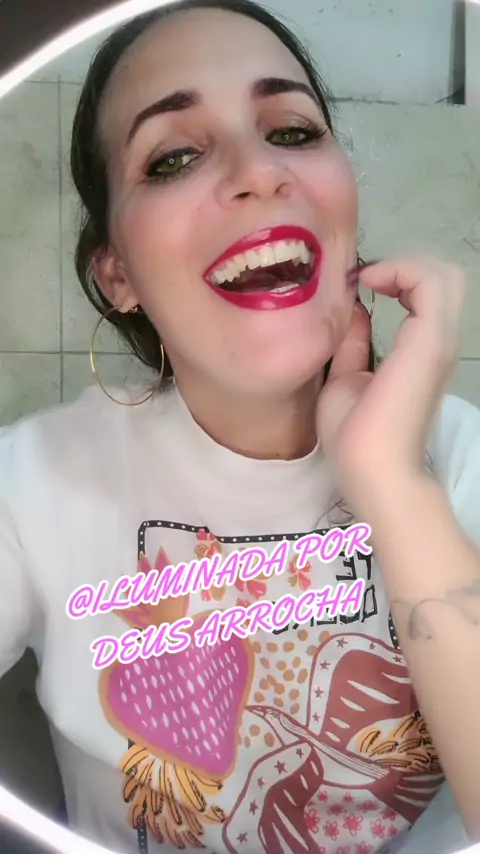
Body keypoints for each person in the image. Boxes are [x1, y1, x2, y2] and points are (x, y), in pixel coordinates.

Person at [0, 1, 479, 852]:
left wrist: (395, 485)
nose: (259, 170)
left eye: (292, 132)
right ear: (116, 273)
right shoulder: (29, 484)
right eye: (173, 157)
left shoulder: (461, 454)